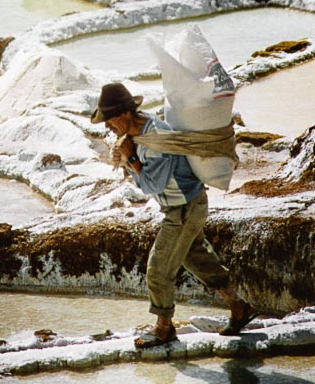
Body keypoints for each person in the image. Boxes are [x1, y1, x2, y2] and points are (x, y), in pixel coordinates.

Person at [91, 82, 256, 348]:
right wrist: (127, 155)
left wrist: (131, 159)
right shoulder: (140, 133)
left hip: (184, 210)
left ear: (124, 115)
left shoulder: (155, 138)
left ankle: (164, 329)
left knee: (158, 269)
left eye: (109, 123)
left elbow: (151, 186)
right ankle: (239, 307)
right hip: (184, 205)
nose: (109, 129)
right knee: (199, 260)